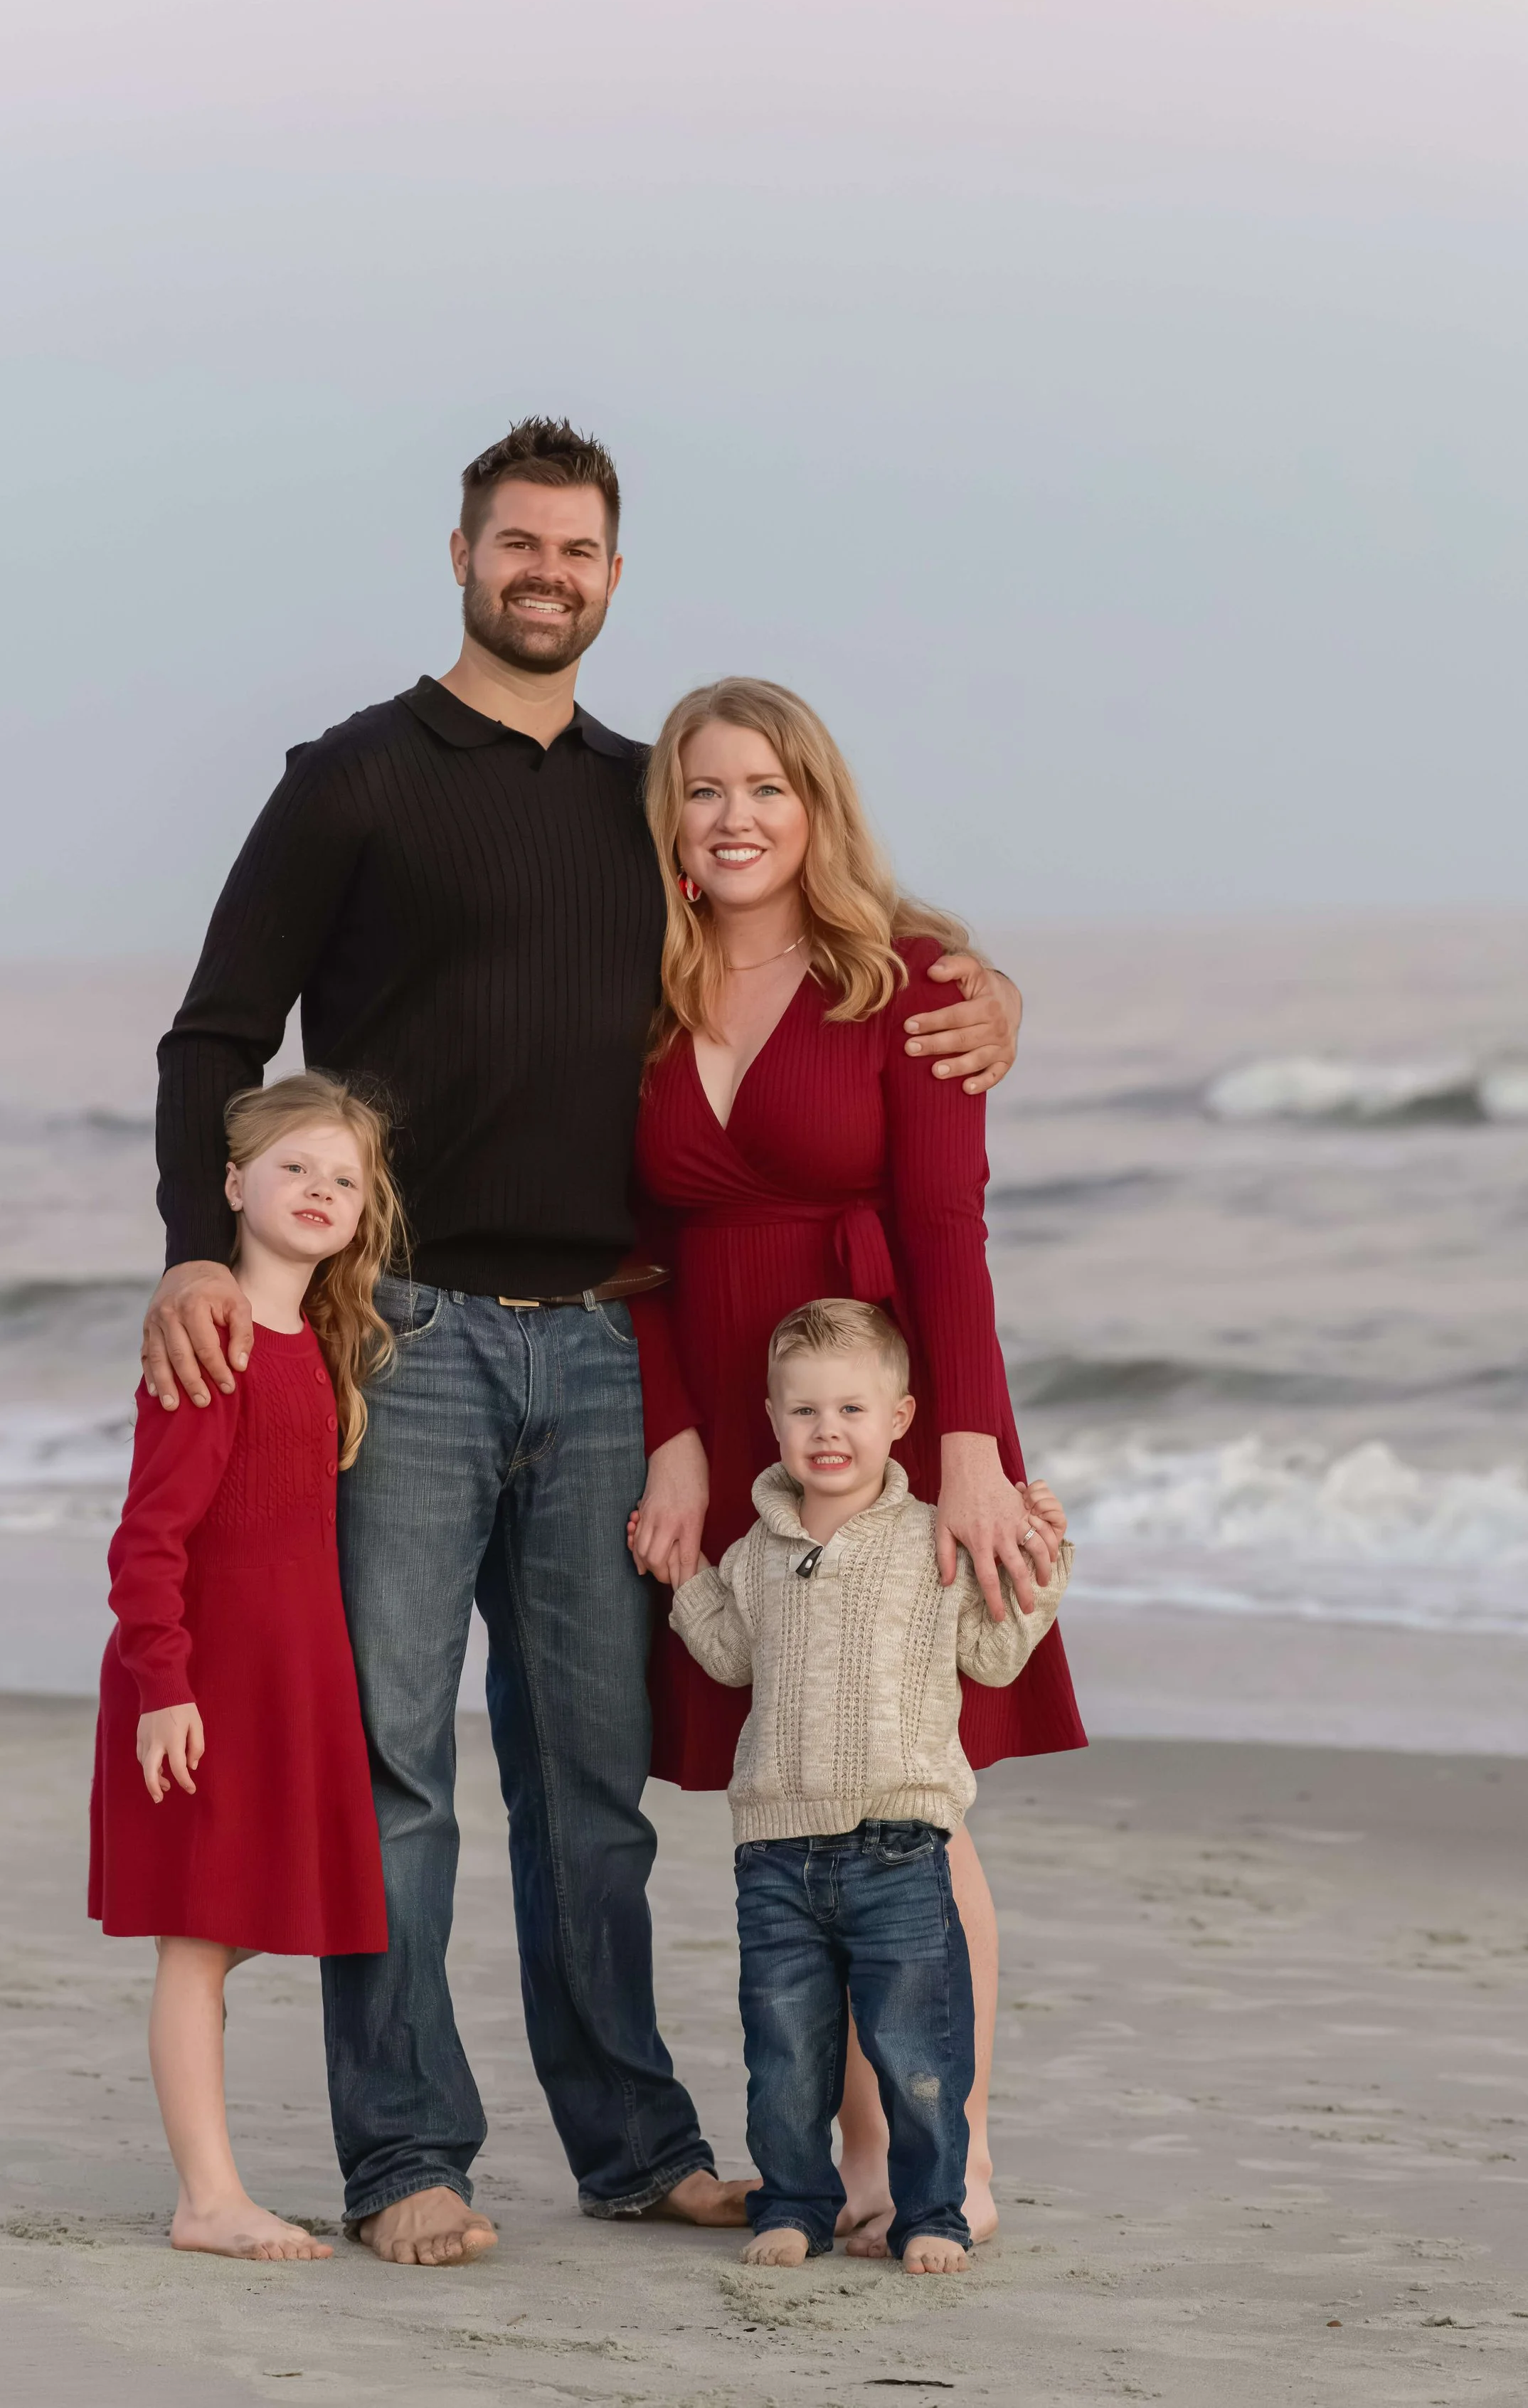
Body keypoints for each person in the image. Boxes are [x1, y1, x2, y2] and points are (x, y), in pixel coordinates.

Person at [141, 418, 1029, 2269]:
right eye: (516, 542)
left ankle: (632, 2139)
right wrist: (193, 1253)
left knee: (590, 1776)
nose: (546, 571)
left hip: (609, 1352)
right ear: (461, 553)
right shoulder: (352, 781)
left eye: (578, 549)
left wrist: (980, 980)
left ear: (613, 576)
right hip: (410, 1342)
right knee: (395, 1761)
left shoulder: (646, 803)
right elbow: (211, 1035)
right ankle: (404, 2153)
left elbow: (805, 915)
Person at [624, 674, 1086, 2251]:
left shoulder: (908, 982)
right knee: (797, 1789)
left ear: (813, 808)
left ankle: (930, 2138)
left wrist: (962, 1450)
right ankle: (834, 2142)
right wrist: (677, 1438)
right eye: (703, 790)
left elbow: (949, 1235)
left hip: (888, 1419)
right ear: (669, 821)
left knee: (913, 1791)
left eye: (765, 786)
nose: (734, 816)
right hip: (724, 1416)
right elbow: (633, 1249)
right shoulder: (644, 991)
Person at [669, 1299, 1071, 2273]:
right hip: (776, 1852)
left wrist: (1043, 1571)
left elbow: (993, 1652)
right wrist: (682, 1574)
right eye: (805, 1412)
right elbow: (727, 1658)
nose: (829, 1430)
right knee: (785, 2051)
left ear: (901, 1416)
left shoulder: (930, 1538)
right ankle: (797, 2203)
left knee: (919, 2045)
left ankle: (931, 2210)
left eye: (853, 1408)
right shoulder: (754, 1552)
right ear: (773, 1419)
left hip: (901, 1845)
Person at [90, 1073, 398, 2260]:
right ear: (232, 1183)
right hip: (205, 1683)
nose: (320, 1192)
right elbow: (148, 1534)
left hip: (291, 1680)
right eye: (293, 1169)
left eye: (344, 1178)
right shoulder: (212, 1334)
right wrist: (165, 1683)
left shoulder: (316, 1341)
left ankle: (211, 2188)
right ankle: (207, 2198)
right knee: (198, 1935)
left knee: (242, 1921)